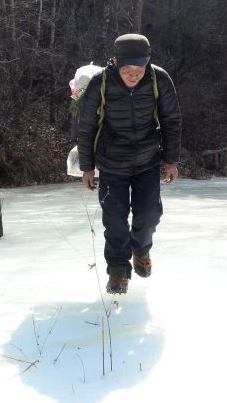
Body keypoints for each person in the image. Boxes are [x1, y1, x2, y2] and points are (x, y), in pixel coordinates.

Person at [75, 33, 182, 294]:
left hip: (147, 160)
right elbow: (86, 125)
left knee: (149, 215)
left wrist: (170, 160)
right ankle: (118, 270)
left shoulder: (159, 79)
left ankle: (141, 250)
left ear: (148, 62)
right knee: (115, 220)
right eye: (127, 70)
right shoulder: (101, 82)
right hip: (111, 163)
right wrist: (87, 167)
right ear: (115, 61)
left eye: (139, 69)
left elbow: (171, 120)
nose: (134, 75)